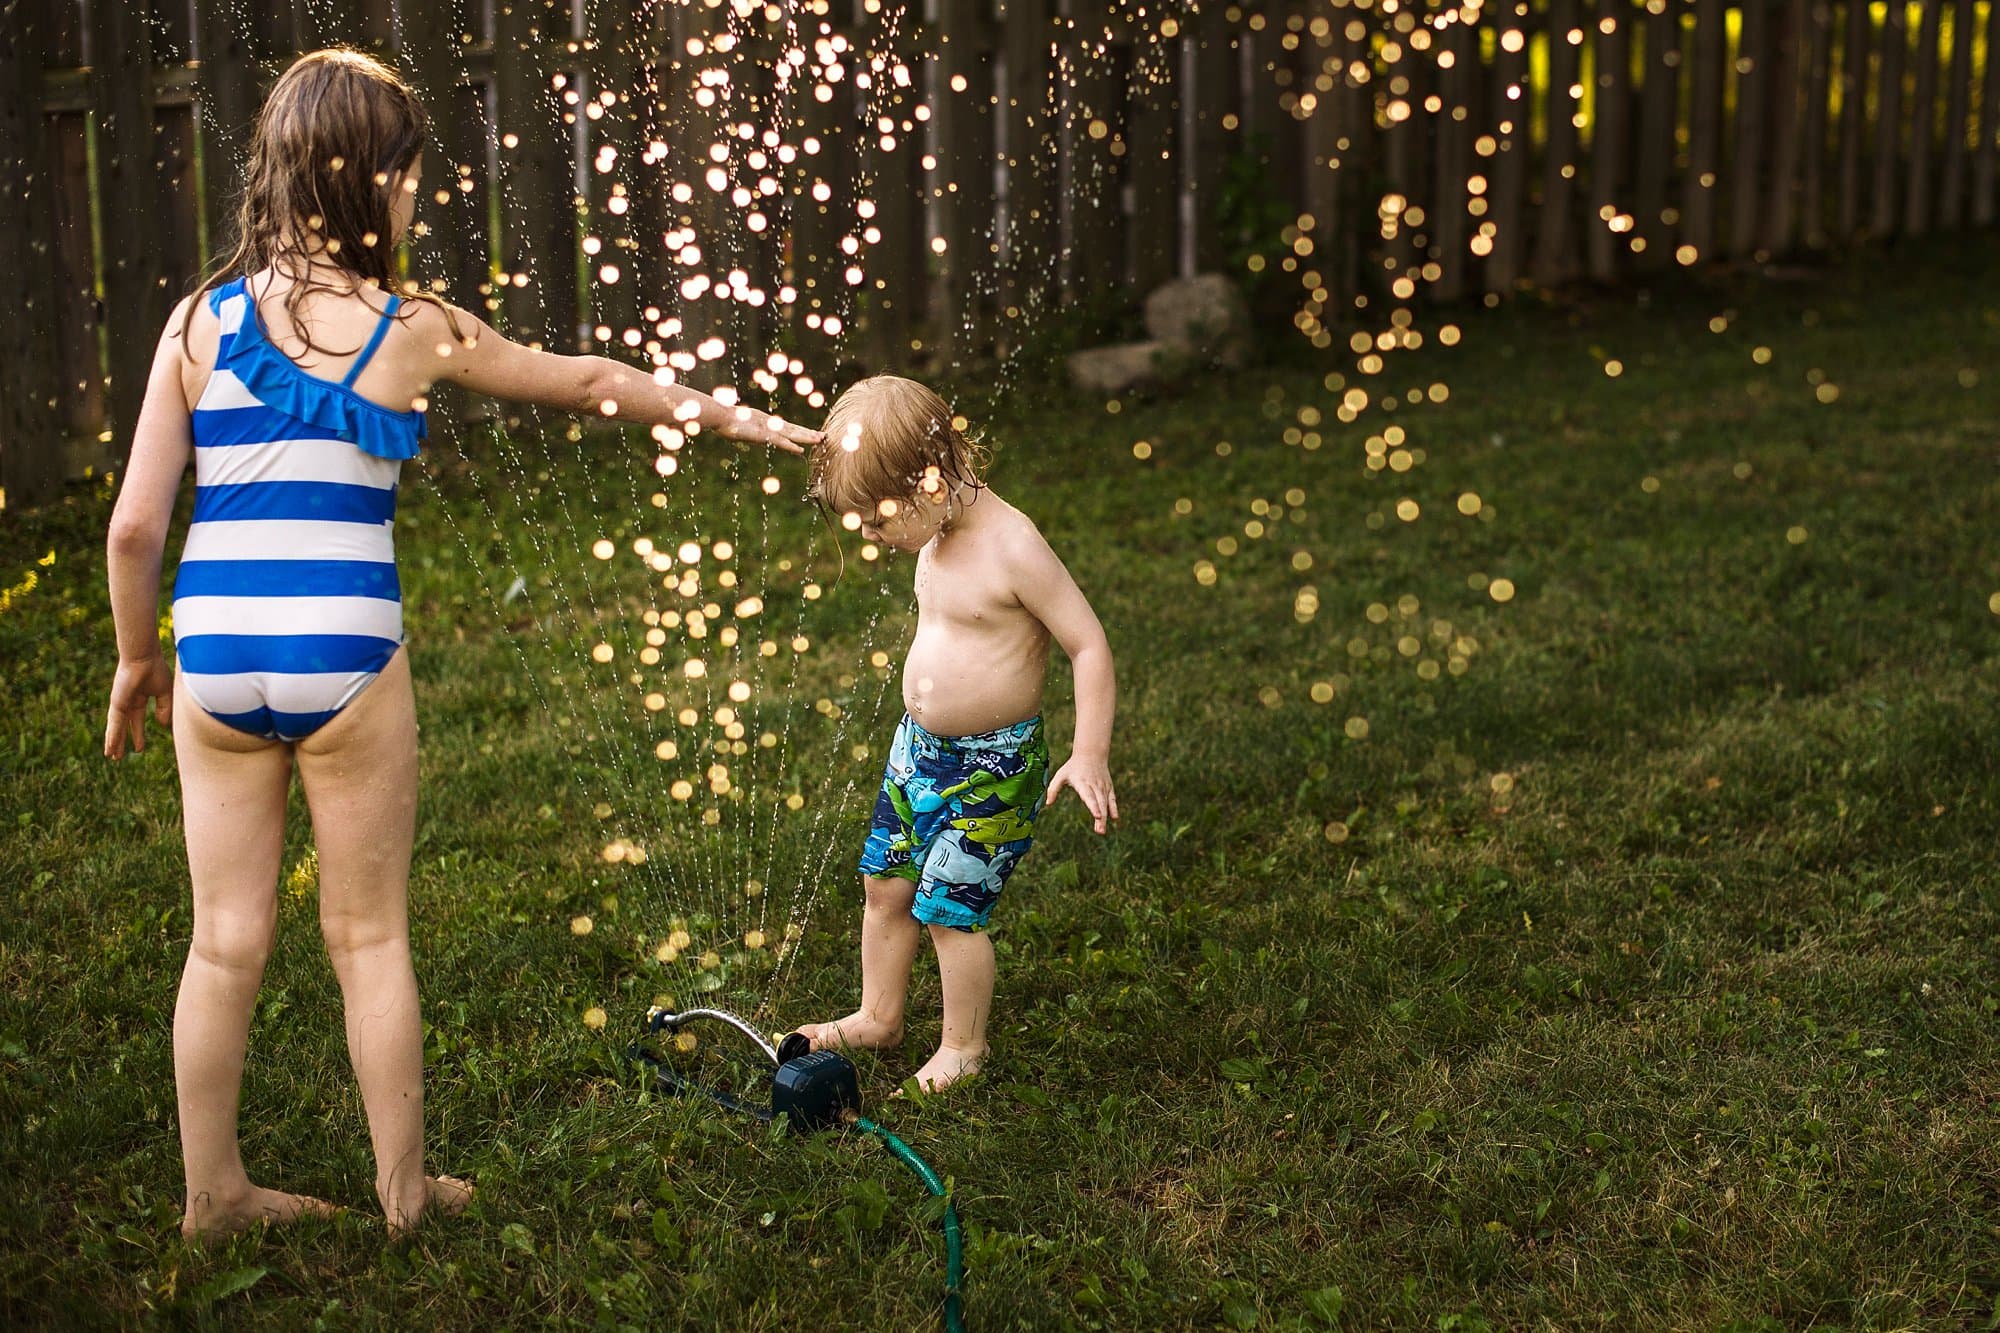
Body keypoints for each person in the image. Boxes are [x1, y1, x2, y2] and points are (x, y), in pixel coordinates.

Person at [101, 48, 818, 1238]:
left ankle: (213, 1195)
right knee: (367, 932)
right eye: (411, 180)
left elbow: (134, 527)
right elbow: (585, 379)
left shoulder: (197, 323)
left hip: (218, 652)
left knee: (222, 943)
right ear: (374, 184)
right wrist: (732, 415)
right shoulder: (412, 326)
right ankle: (403, 1193)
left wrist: (138, 661)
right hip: (345, 652)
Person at [793, 376, 1117, 1092]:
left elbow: (1088, 644)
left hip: (993, 766)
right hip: (920, 751)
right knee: (886, 884)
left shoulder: (1013, 547)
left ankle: (965, 1046)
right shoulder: (935, 526)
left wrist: (1088, 750)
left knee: (948, 907)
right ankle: (879, 1015)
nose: (871, 537)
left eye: (876, 522)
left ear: (931, 482)